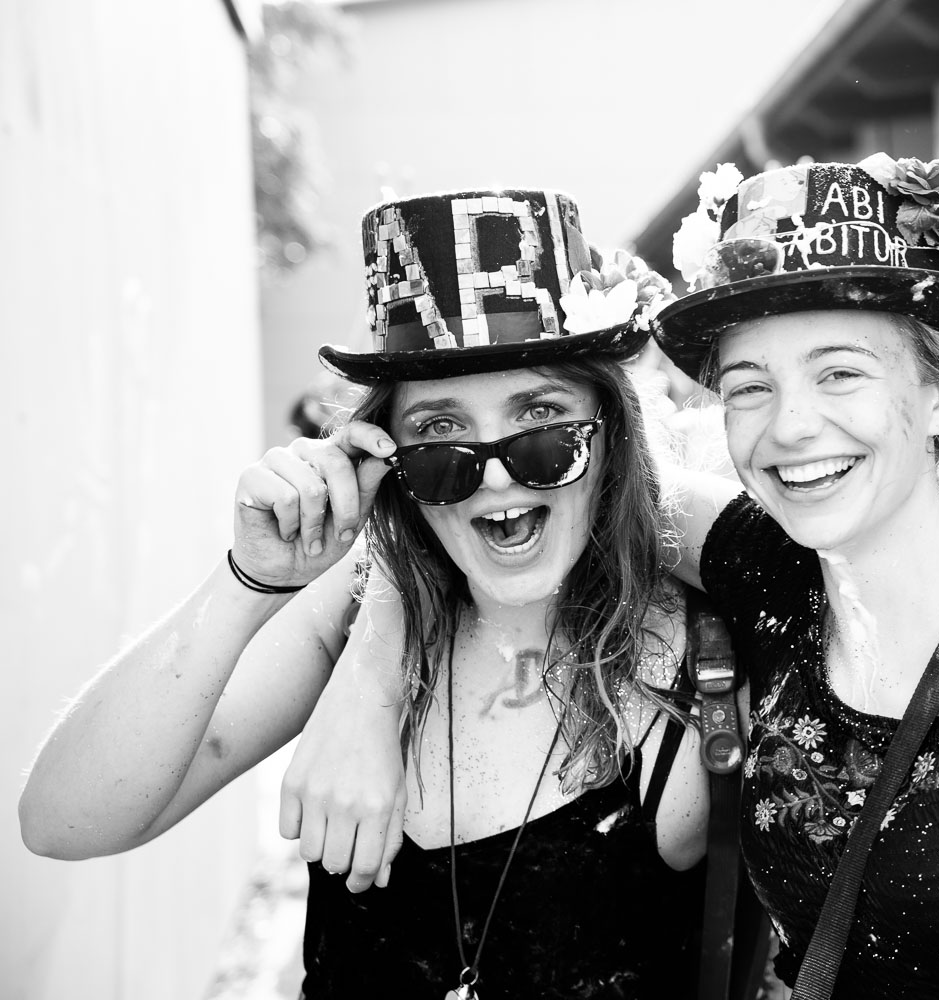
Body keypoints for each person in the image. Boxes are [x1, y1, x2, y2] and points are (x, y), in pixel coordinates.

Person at [285, 158, 939, 999]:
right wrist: (373, 667)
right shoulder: (772, 581)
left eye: (839, 373)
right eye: (749, 387)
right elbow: (500, 490)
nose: (791, 426)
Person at [19, 189, 712, 999]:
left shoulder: (704, 662)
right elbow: (63, 821)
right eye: (440, 435)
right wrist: (250, 582)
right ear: (387, 462)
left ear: (612, 433)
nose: (495, 476)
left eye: (542, 421)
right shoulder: (348, 615)